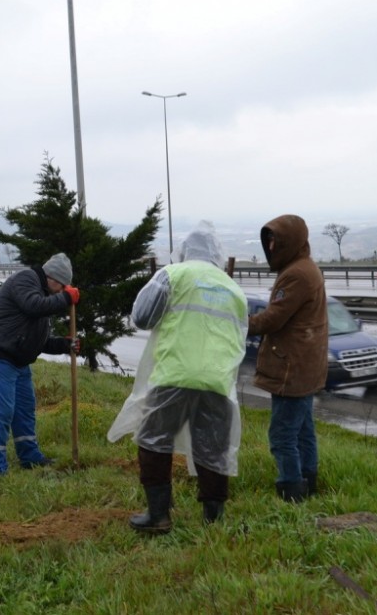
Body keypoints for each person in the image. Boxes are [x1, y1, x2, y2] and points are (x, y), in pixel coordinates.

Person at [107, 223, 248, 532]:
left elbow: (142, 317)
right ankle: (213, 521)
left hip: (175, 374)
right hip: (218, 382)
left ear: (184, 251)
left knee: (153, 441)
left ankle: (158, 515)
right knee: (213, 449)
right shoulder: (232, 288)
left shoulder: (173, 275)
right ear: (217, 256)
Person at [247, 214, 328, 503]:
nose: (270, 246)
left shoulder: (295, 274)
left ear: (290, 242)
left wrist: (239, 324)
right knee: (304, 430)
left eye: (275, 240)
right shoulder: (307, 267)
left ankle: (291, 489)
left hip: (291, 367)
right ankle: (309, 480)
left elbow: (273, 319)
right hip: (305, 364)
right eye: (267, 239)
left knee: (282, 435)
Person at [0, 253, 80, 477]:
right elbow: (34, 306)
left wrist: (66, 345)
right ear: (52, 277)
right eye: (61, 287)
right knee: (1, 412)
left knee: (24, 411)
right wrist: (66, 299)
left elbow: (39, 342)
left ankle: (29, 456)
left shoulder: (41, 294)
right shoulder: (26, 279)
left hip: (19, 360)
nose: (61, 292)